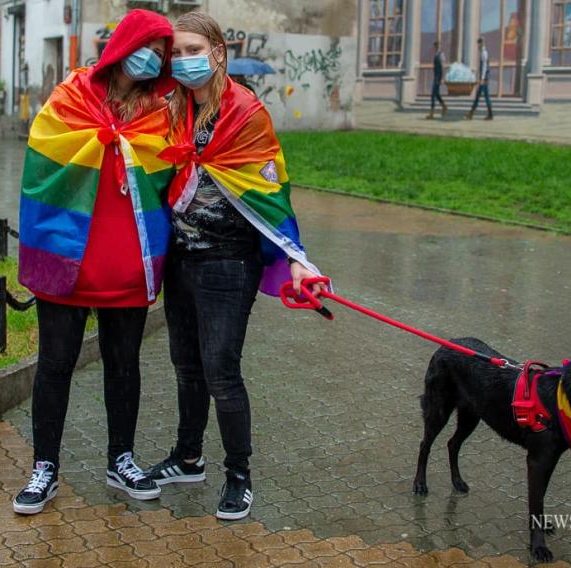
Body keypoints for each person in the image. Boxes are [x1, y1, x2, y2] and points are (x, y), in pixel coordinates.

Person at [144, 11, 324, 521]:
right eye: (175, 53)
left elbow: (270, 194)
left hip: (229, 264)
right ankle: (187, 458)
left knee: (221, 371)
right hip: (181, 260)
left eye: (192, 50)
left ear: (217, 52)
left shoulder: (245, 112)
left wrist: (295, 260)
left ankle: (239, 475)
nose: (184, 61)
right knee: (185, 366)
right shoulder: (171, 109)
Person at [13, 9, 176, 515]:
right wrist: (100, 142)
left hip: (127, 265)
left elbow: (171, 173)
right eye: (146, 46)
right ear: (122, 46)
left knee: (124, 365)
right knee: (55, 365)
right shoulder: (71, 96)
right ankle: (45, 467)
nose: (151, 59)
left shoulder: (159, 114)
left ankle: (121, 458)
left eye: (161, 54)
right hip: (67, 260)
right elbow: (43, 157)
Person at [466, 37, 493, 120]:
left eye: (478, 44)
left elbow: (484, 66)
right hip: (484, 78)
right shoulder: (482, 52)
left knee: (482, 97)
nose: (477, 46)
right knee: (481, 96)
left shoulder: (484, 53)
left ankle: (472, 113)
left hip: (484, 79)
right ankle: (472, 113)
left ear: (481, 43)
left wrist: (482, 78)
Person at [426, 42, 447, 119]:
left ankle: (432, 113)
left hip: (438, 77)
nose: (436, 47)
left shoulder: (441, 54)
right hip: (436, 76)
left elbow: (442, 66)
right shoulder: (436, 54)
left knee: (433, 95)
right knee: (436, 94)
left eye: (437, 46)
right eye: (435, 46)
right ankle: (444, 106)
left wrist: (442, 78)